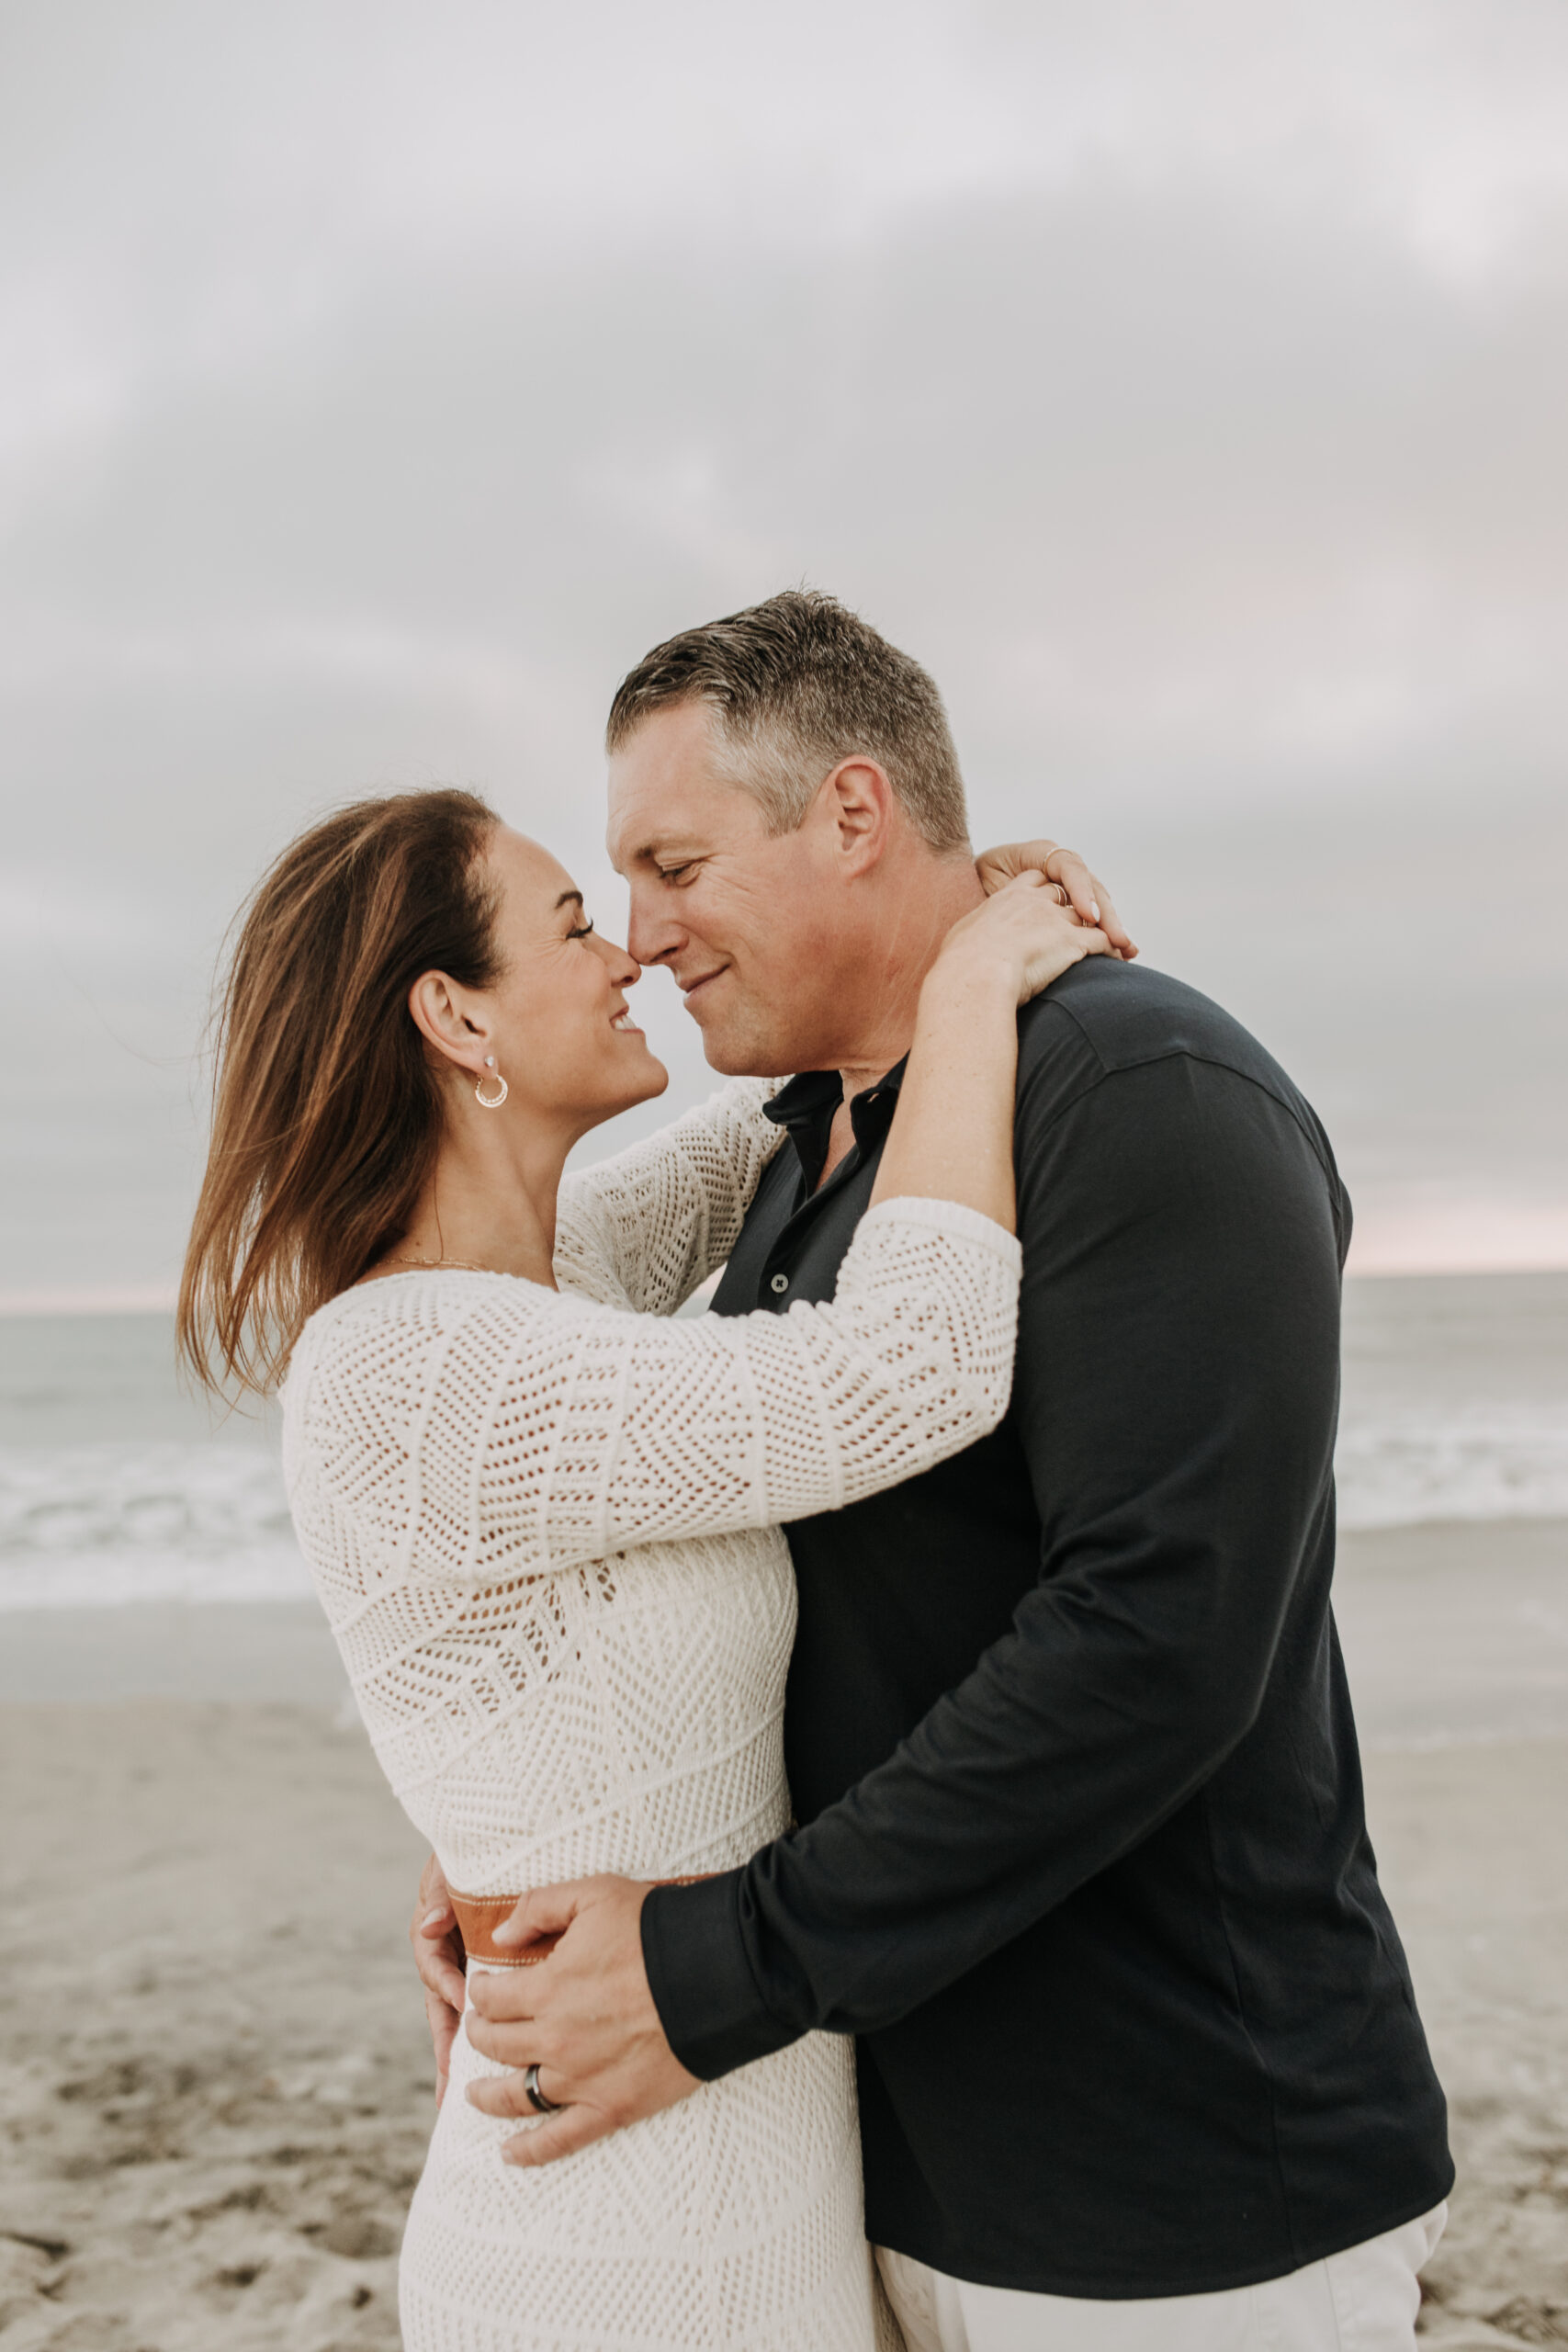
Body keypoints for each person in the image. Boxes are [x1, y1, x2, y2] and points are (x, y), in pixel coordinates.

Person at [421, 591, 1454, 2352]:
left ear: (850, 813)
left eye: (675, 862)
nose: (647, 935)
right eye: (618, 885)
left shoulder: (1148, 1093)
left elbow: (1153, 1636)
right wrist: (508, 1841)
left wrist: (714, 1971)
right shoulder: (805, 1153)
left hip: (1170, 2192)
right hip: (884, 2165)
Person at [177, 780, 1112, 2351]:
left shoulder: (562, 1274)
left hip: (744, 2169)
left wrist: (933, 919)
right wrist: (965, 982)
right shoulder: (419, 1367)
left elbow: (798, 1106)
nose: (623, 955)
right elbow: (920, 1366)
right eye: (566, 927)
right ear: (456, 1021)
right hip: (608, 2247)